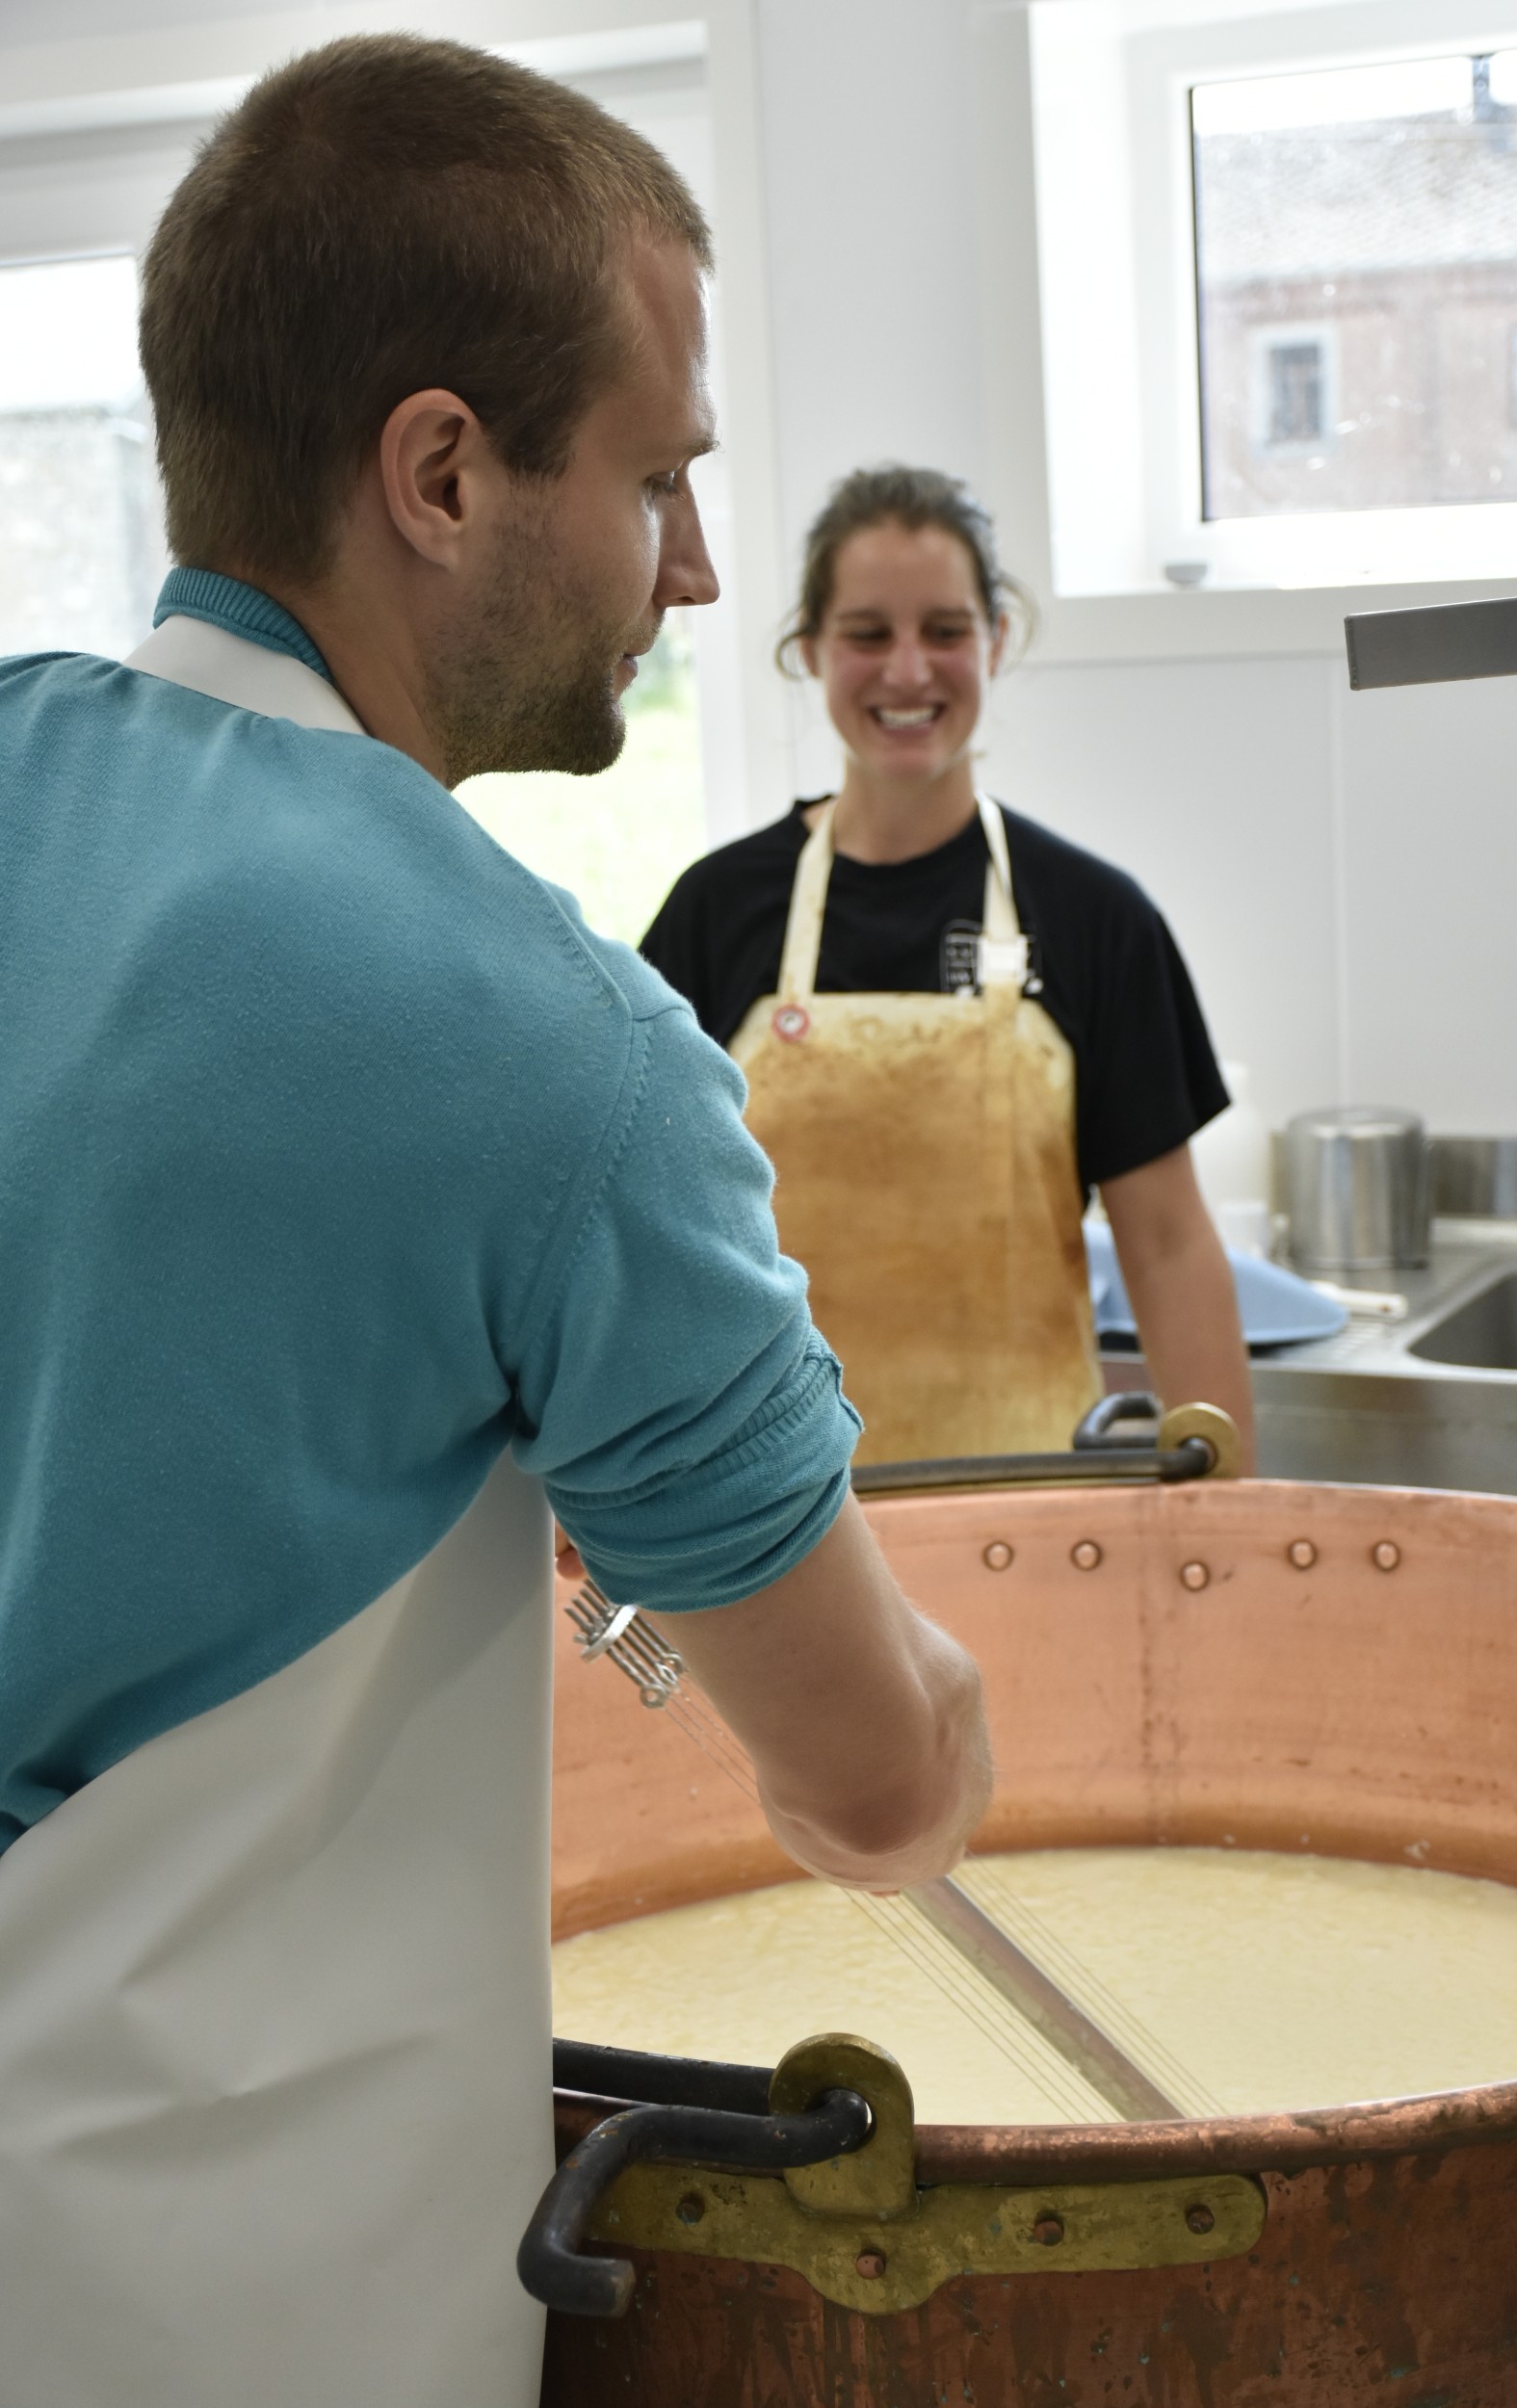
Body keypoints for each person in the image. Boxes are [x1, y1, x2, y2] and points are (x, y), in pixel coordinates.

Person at [0, 45, 991, 2408]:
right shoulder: (563, 1057)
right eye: (659, 475)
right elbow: (866, 1792)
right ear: (443, 473)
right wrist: (924, 1708)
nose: (698, 568)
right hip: (218, 2305)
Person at [641, 466, 1255, 1469]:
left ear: (994, 640)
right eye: (867, 633)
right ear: (808, 649)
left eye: (943, 630)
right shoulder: (716, 913)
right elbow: (651, 1241)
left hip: (1036, 1502)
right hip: (772, 1519)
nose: (908, 672)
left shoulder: (1097, 920)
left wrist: (1228, 1528)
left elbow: (1168, 1247)